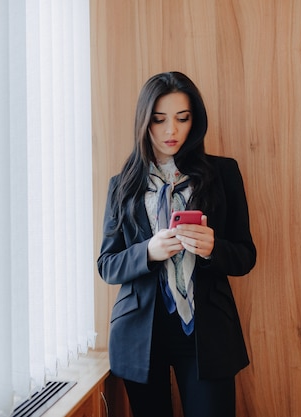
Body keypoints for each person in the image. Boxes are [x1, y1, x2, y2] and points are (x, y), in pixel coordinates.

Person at [97, 71, 256, 417]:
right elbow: (106, 264)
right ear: (145, 122)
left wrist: (214, 248)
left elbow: (245, 256)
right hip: (140, 335)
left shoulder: (223, 173)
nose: (171, 131)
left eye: (182, 119)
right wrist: (147, 252)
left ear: (194, 120)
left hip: (206, 333)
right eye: (159, 120)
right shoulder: (122, 185)